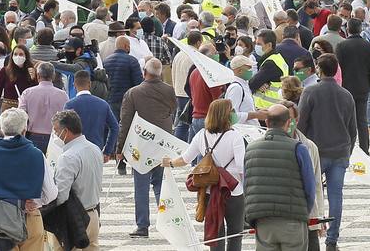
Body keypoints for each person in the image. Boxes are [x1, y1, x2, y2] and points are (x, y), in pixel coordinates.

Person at [163, 98, 246, 251]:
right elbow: (242, 166)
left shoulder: (201, 135)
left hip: (209, 191)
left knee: (216, 233)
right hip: (233, 191)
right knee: (235, 233)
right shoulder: (235, 136)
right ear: (226, 115)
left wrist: (170, 163)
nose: (234, 114)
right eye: (231, 111)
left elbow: (186, 158)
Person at [296, 54, 354, 251]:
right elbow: (352, 128)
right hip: (340, 151)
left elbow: (301, 123)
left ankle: (310, 233)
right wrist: (348, 150)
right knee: (336, 196)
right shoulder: (346, 95)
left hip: (316, 151)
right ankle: (332, 239)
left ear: (319, 70)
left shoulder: (310, 92)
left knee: (310, 193)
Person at [0, 108, 54, 251]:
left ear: (1, 129)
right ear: (24, 129)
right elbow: (51, 192)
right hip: (30, 216)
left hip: (1, 218)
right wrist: (35, 202)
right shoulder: (36, 154)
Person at [117, 57, 176, 237]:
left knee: (141, 186)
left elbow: (125, 122)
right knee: (160, 184)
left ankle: (143, 225)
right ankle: (166, 222)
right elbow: (172, 110)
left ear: (144, 72)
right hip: (162, 143)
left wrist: (120, 149)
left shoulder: (133, 93)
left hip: (140, 145)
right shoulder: (169, 91)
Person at [242, 104, 314, 251]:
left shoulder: (251, 149)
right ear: (288, 123)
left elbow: (246, 185)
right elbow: (310, 187)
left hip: (263, 220)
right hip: (292, 218)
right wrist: (304, 211)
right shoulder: (298, 148)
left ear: (267, 122)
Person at [49, 109, 103, 250]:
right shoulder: (95, 149)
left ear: (65, 131)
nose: (55, 134)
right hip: (93, 215)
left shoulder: (68, 157)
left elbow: (61, 196)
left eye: (56, 130)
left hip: (75, 220)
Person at [336, 17, 370, 153]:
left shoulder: (341, 46)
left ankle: (348, 149)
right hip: (363, 87)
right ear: (361, 29)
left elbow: (339, 69)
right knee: (362, 120)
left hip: (346, 87)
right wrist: (368, 85)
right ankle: (365, 149)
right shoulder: (368, 46)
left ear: (347, 29)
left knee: (347, 120)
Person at [64, 70, 119, 158]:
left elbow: (64, 129)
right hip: (96, 151)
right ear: (89, 84)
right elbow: (115, 127)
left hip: (75, 151)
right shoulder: (103, 104)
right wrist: (107, 151)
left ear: (74, 85)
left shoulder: (70, 105)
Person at [18, 61, 68, 154]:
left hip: (32, 136)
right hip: (55, 138)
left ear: (38, 75)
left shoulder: (27, 93)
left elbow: (21, 116)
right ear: (53, 76)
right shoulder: (63, 95)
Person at [0, 44, 38, 114]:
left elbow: (35, 92)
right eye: (15, 54)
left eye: (21, 54)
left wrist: (33, 79)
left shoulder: (31, 71)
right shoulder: (4, 71)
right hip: (8, 108)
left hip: (25, 108)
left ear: (26, 56)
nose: (18, 57)